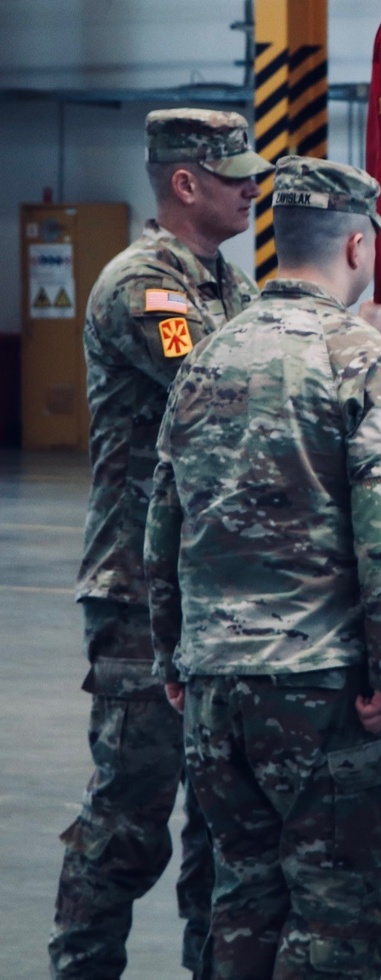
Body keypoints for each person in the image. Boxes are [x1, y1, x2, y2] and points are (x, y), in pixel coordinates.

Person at [144, 156, 381, 980]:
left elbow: (161, 521)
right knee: (335, 922)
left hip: (215, 691)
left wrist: (173, 653)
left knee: (241, 903)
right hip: (324, 688)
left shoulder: (206, 357)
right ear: (356, 248)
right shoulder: (364, 363)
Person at [50, 107, 269, 980]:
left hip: (214, 590)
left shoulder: (232, 287)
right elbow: (221, 394)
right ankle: (83, 965)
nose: (252, 187)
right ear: (185, 184)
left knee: (221, 819)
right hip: (143, 591)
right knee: (132, 814)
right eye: (234, 175)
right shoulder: (146, 286)